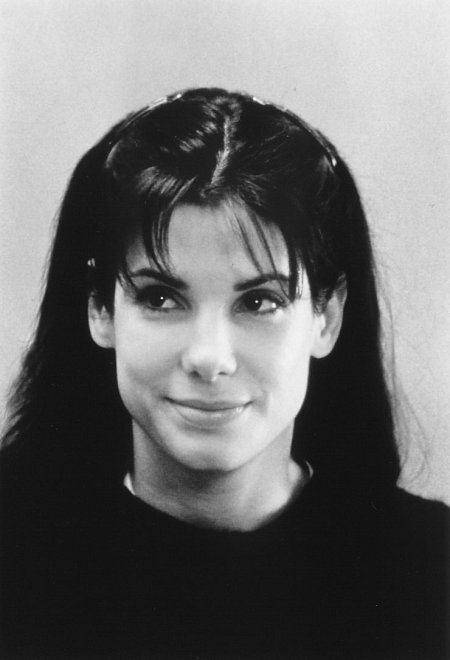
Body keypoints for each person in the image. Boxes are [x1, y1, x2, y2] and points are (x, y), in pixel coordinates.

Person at [0, 88, 448, 659]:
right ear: (100, 311)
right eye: (160, 298)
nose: (209, 357)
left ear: (327, 318)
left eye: (259, 302)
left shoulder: (428, 568)